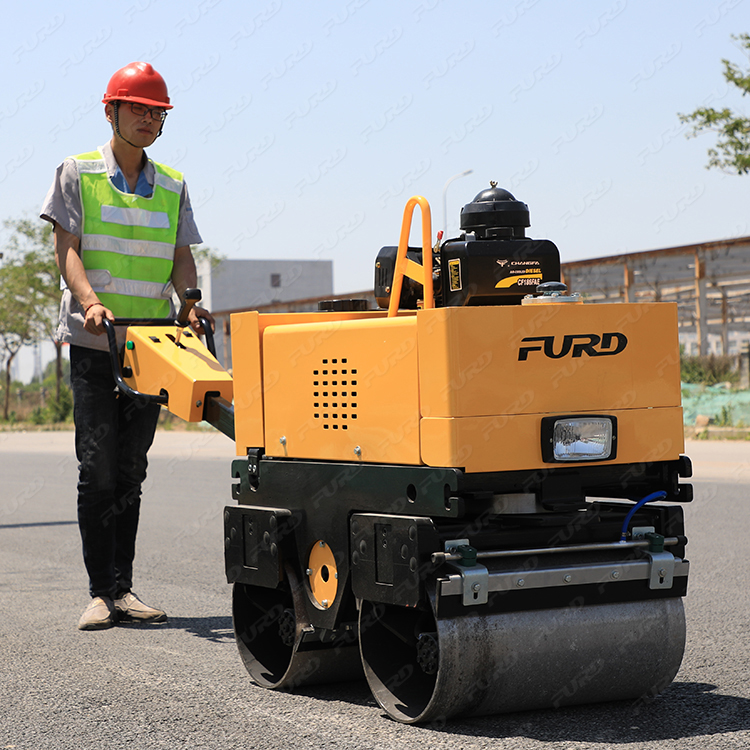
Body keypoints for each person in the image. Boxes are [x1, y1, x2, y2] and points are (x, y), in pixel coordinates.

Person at [40, 61, 215, 630]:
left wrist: (189, 301)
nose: (147, 119)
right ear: (110, 110)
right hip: (95, 343)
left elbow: (181, 255)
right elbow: (68, 249)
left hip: (153, 345)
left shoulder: (173, 185)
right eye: (137, 108)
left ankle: (124, 589)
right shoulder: (78, 172)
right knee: (98, 470)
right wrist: (89, 300)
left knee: (131, 469)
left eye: (156, 112)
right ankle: (98, 592)